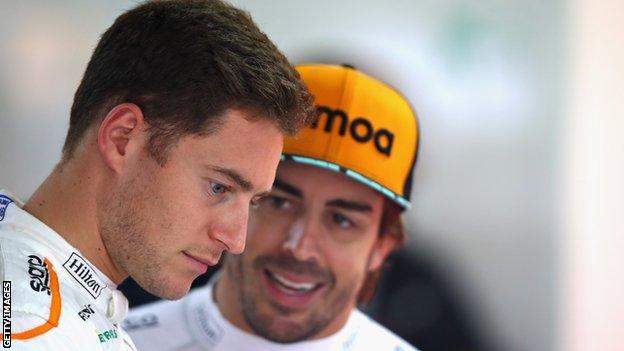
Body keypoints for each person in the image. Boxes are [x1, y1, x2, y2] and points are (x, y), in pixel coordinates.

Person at [0, 0, 314, 350]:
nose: (235, 240)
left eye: (253, 201)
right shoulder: (35, 329)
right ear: (123, 139)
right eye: (218, 187)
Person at [125, 63, 421, 351]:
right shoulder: (116, 343)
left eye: (341, 220)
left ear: (383, 245)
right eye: (278, 202)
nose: (300, 247)